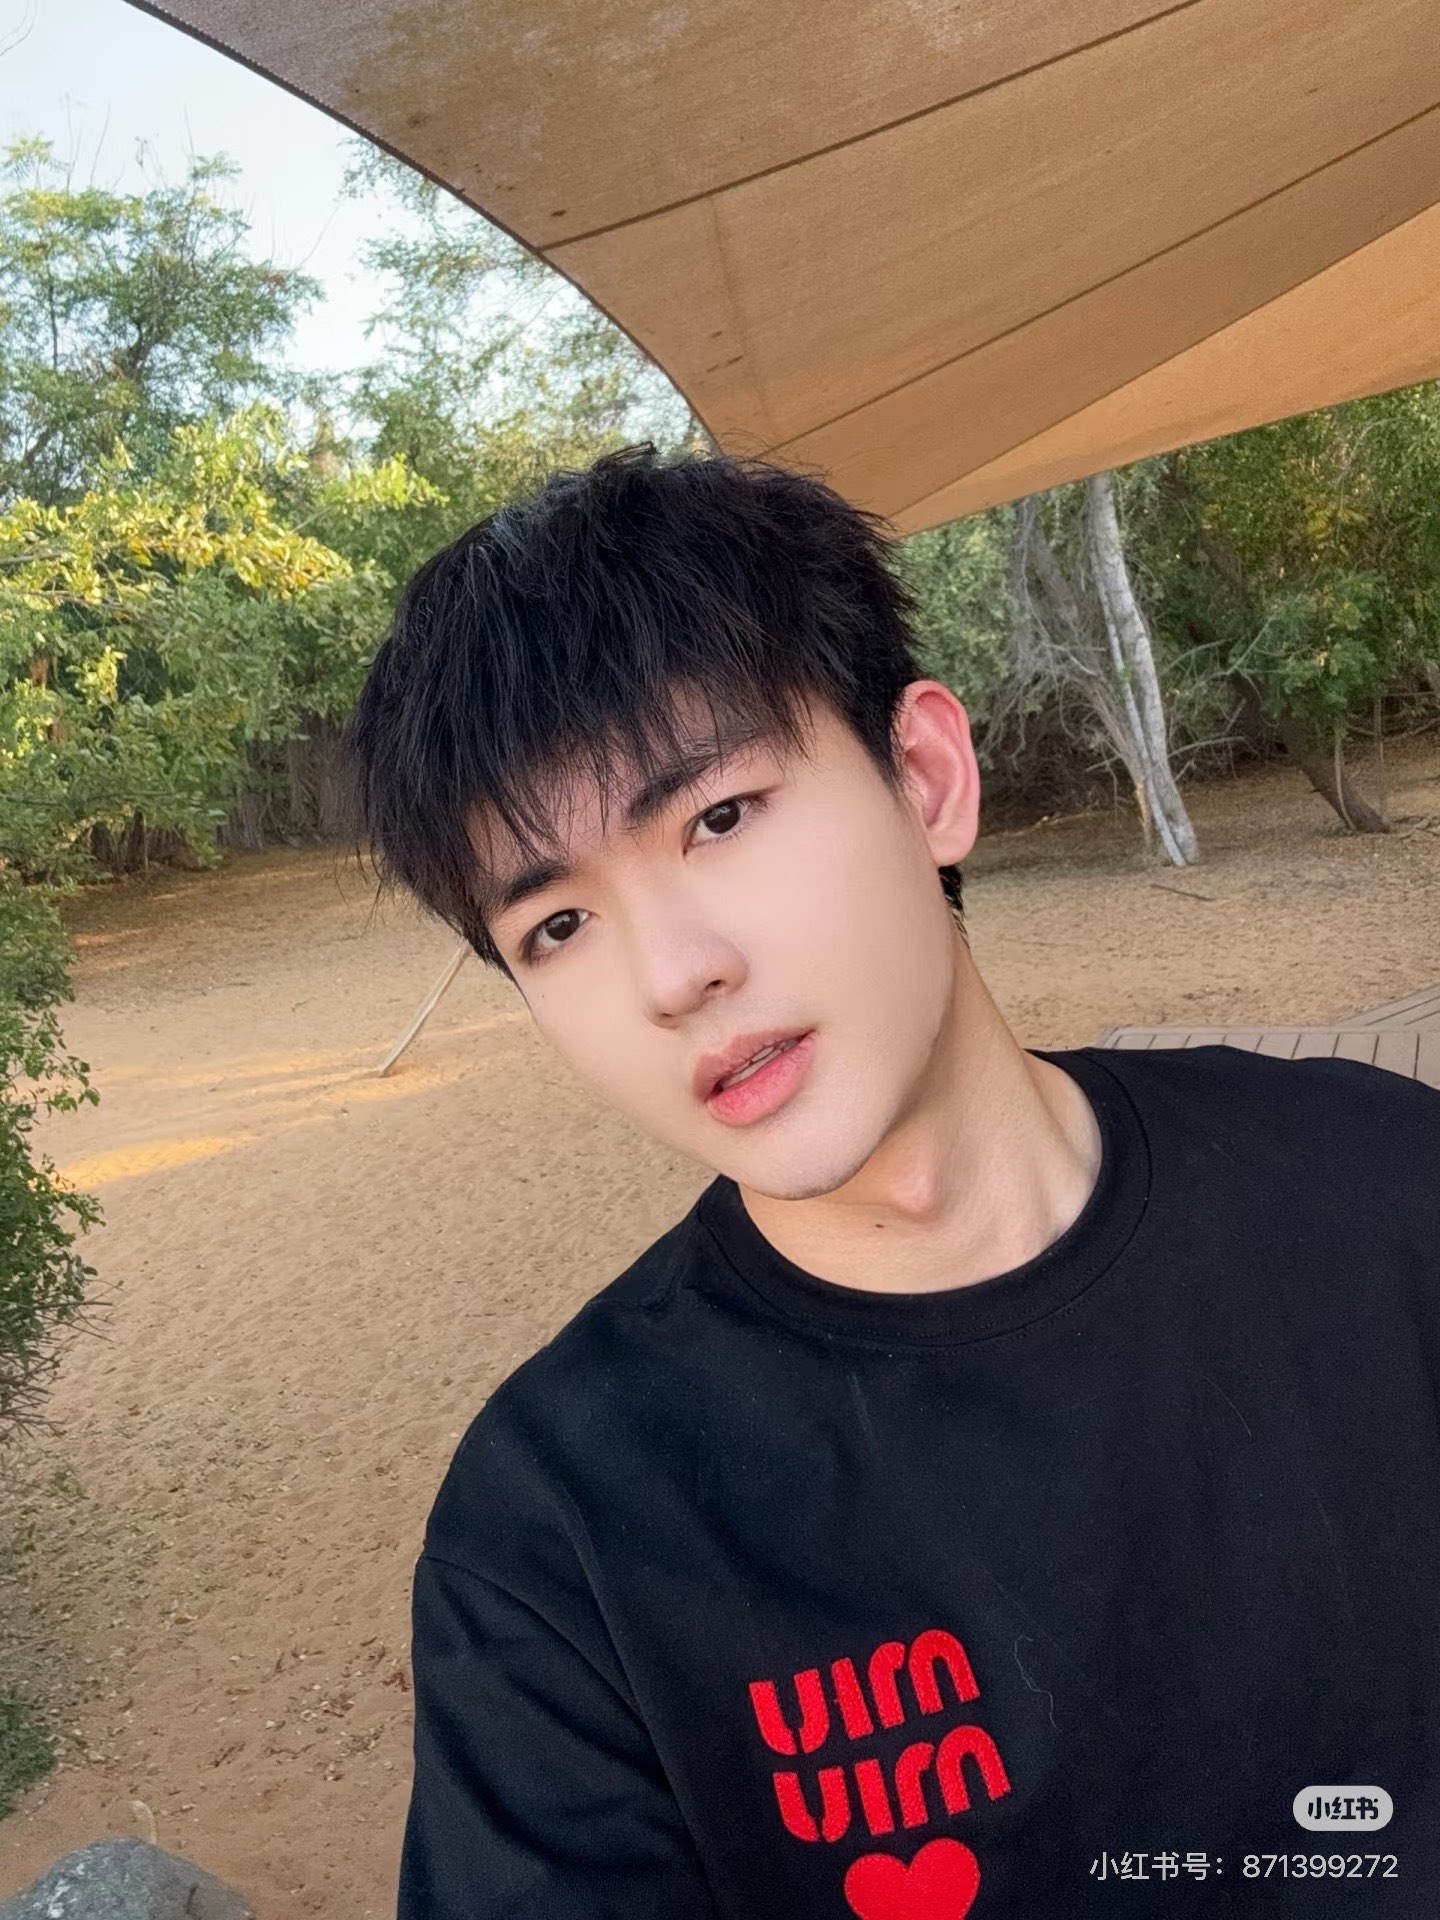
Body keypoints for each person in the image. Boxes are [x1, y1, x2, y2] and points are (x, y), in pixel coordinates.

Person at [341, 442, 1440, 1918]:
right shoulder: (559, 1536)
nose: (671, 975)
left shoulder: (1390, 1194)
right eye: (558, 927)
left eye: (718, 817)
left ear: (925, 780)